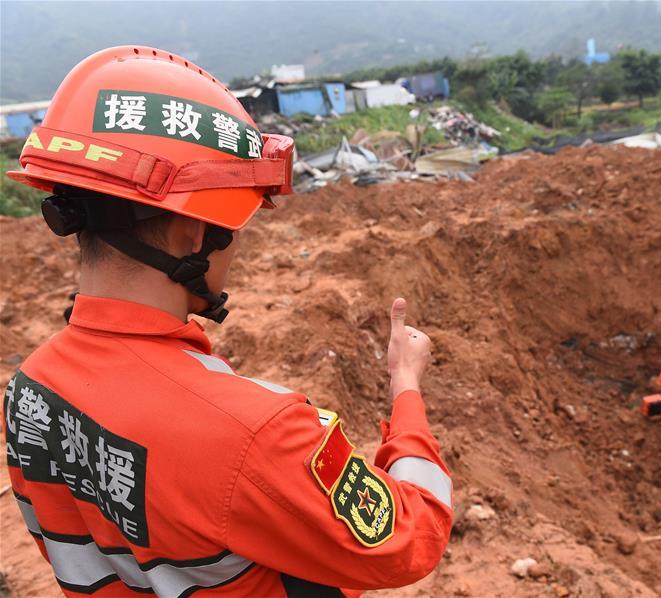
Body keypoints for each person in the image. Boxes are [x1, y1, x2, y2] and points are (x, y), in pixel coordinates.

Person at [2, 46, 452, 597]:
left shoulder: (28, 389)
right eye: (233, 226)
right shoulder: (256, 432)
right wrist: (406, 388)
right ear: (193, 233)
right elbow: (410, 538)